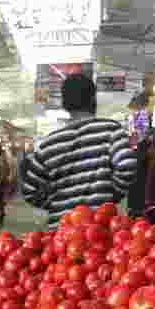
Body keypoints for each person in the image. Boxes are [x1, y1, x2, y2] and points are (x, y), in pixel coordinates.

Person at [22, 74, 137, 229]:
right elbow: (127, 166)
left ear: (64, 103)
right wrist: (112, 195)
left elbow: (30, 191)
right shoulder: (111, 130)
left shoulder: (48, 144)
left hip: (62, 235)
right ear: (93, 99)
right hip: (100, 229)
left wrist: (58, 205)